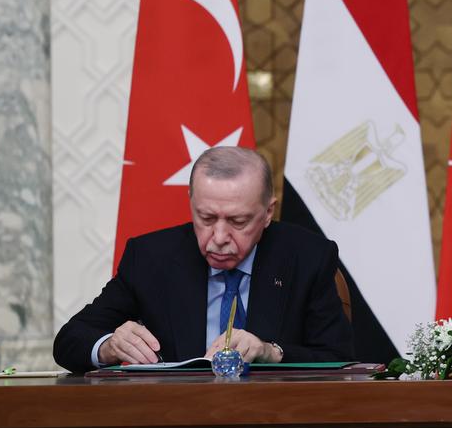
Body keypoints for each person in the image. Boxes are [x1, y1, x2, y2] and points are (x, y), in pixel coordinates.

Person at [54, 146, 354, 373]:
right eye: (206, 218)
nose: (219, 236)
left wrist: (271, 351)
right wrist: (108, 346)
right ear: (191, 204)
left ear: (267, 213)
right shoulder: (150, 257)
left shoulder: (306, 256)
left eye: (238, 221)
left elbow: (340, 358)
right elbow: (69, 341)